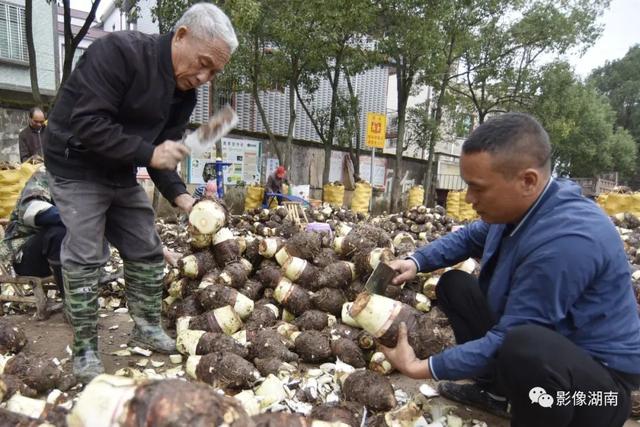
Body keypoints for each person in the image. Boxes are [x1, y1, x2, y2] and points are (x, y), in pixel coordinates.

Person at [381, 113, 640, 427]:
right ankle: (498, 394)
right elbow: (467, 237)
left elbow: (508, 340)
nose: (469, 199)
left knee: (524, 346)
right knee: (455, 285)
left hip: (597, 392)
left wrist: (421, 367)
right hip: (550, 353)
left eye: (478, 188)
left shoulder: (567, 241)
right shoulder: (517, 210)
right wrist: (415, 262)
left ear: (528, 181)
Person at [43, 3, 237, 382]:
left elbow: (165, 153)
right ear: (180, 35)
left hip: (118, 168)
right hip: (75, 162)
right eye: (202, 63)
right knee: (84, 255)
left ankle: (146, 327)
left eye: (214, 71)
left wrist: (183, 198)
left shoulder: (183, 94)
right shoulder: (118, 52)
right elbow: (88, 123)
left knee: (147, 249)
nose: (204, 76)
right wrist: (149, 152)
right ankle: (84, 348)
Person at [0, 166, 64, 298]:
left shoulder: (87, 178)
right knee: (59, 232)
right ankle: (71, 299)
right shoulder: (47, 173)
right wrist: (74, 219)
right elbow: (30, 209)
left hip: (62, 255)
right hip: (25, 256)